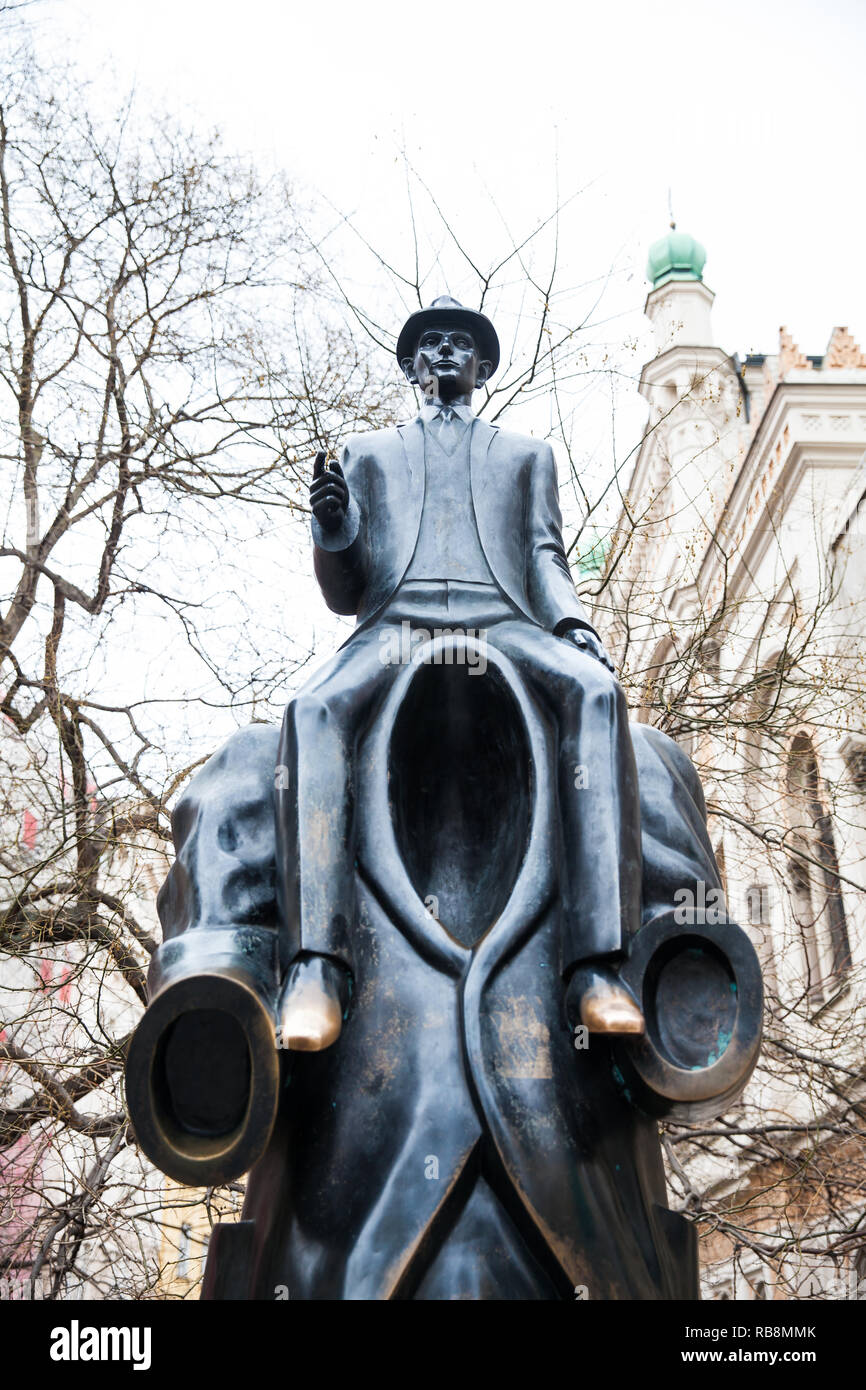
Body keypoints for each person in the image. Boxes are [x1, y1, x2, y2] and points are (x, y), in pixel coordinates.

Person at [276, 296, 645, 1049]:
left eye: (461, 345)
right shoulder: (366, 455)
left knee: (598, 693)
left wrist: (574, 627)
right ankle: (317, 966)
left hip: (503, 622)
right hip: (396, 624)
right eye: (432, 344)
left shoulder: (528, 456)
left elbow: (545, 559)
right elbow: (347, 593)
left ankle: (597, 967)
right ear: (413, 365)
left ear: (481, 367)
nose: (445, 354)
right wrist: (333, 527)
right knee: (310, 712)